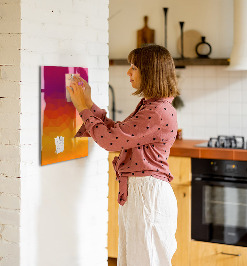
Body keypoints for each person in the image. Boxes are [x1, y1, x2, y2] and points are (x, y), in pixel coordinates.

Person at [67, 44, 179, 266]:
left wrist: (82, 108)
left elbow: (110, 141)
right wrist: (88, 104)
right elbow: (118, 133)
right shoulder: (152, 106)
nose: (129, 73)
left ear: (150, 72)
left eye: (134, 67)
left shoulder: (156, 111)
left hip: (147, 197)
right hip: (142, 195)